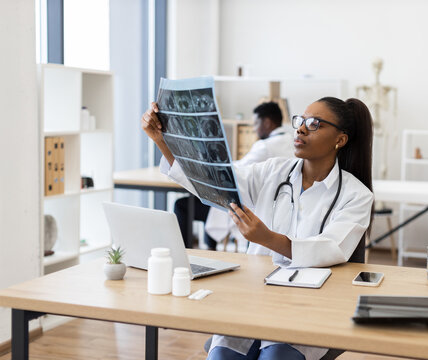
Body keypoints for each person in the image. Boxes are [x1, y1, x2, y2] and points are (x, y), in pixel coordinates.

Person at [141, 96, 374, 360]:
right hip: (254, 298)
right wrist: (162, 141)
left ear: (340, 140)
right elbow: (215, 180)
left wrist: (268, 239)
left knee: (273, 357)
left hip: (308, 307)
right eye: (300, 121)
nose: (300, 129)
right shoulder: (273, 172)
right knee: (221, 357)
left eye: (314, 124)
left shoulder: (356, 195)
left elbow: (333, 248)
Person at [173, 101, 294, 249]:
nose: (254, 129)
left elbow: (237, 169)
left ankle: (192, 251)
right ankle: (210, 248)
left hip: (252, 205)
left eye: (256, 123)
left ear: (267, 123)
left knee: (191, 204)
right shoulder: (290, 140)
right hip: (277, 205)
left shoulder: (265, 146)